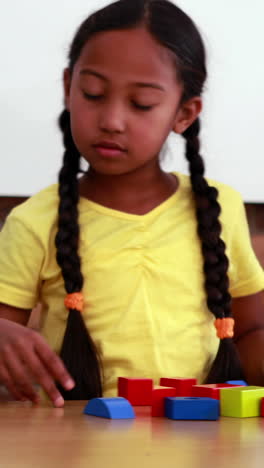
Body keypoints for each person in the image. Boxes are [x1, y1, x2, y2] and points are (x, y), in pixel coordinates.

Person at [0, 0, 263, 408]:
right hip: (76, 444)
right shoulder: (35, 221)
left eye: (141, 103)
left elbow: (250, 330)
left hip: (203, 445)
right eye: (93, 94)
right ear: (68, 87)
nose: (112, 120)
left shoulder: (218, 207)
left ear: (185, 113)